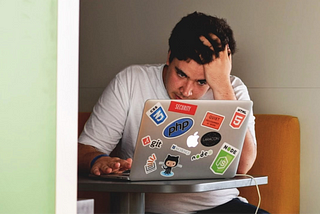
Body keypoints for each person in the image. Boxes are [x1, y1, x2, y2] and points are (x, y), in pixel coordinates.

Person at [78, 11, 269, 214]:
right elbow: (84, 150)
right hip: (144, 208)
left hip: (220, 206)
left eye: (202, 82)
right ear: (169, 56)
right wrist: (98, 160)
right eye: (181, 74)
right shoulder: (131, 81)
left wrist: (222, 86)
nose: (186, 91)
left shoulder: (232, 90)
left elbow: (243, 166)